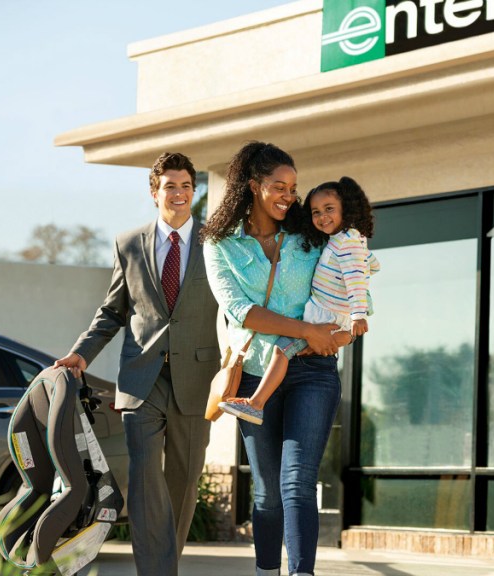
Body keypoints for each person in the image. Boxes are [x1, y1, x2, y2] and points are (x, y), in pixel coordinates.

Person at [54, 152, 220, 576]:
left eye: (186, 185)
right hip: (141, 380)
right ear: (154, 192)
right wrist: (81, 352)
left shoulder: (216, 242)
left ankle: (166, 566)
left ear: (193, 190)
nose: (179, 194)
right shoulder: (128, 243)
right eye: (170, 186)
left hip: (197, 379)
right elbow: (112, 312)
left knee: (183, 484)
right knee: (145, 479)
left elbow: (236, 306)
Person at [201, 141, 350, 576]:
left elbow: (342, 275)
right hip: (253, 377)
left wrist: (346, 323)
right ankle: (266, 571)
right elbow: (240, 310)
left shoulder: (308, 233)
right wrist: (306, 328)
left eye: (294, 187)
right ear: (252, 185)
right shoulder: (220, 244)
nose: (290, 195)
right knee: (266, 492)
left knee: (298, 482)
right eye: (279, 187)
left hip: (312, 370)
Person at [219, 176, 380, 425]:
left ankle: (256, 403)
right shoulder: (341, 239)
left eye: (329, 209)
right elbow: (367, 265)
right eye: (316, 212)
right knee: (289, 349)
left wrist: (358, 315)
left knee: (281, 349)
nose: (322, 217)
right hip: (328, 315)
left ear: (345, 210)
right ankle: (257, 403)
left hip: (325, 316)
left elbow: (357, 278)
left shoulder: (347, 242)